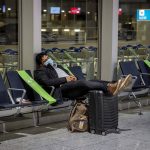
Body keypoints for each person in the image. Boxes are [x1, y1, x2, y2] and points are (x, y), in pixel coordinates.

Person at [34, 52, 132, 102]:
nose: (48, 60)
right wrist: (65, 79)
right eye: (45, 59)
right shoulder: (40, 71)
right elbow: (48, 83)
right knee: (84, 83)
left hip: (71, 86)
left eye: (48, 57)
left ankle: (114, 85)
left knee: (93, 81)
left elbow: (69, 75)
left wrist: (73, 77)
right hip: (61, 89)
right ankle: (112, 87)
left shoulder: (57, 67)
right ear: (41, 63)